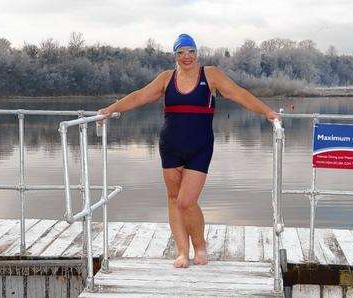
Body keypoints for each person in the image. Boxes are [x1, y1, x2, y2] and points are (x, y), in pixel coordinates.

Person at [98, 34, 278, 268]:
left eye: (190, 51)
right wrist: (110, 110)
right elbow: (139, 97)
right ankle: (183, 251)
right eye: (181, 52)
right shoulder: (166, 79)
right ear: (175, 55)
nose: (186, 57)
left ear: (197, 53)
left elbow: (239, 93)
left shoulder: (210, 75)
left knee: (186, 201)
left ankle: (200, 245)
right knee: (173, 199)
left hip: (200, 148)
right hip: (170, 147)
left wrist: (267, 112)